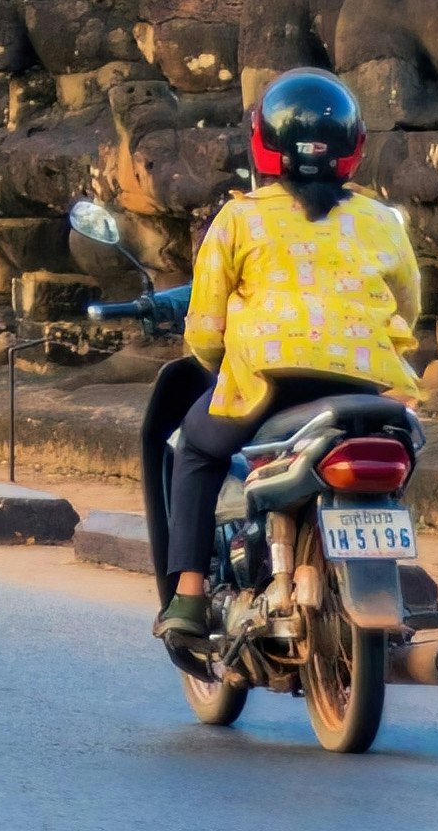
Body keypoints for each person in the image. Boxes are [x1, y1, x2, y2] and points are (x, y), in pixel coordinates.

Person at [158, 67, 420, 649]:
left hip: (266, 384)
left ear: (263, 142)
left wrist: (213, 363)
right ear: (354, 149)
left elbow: (205, 325)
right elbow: (408, 307)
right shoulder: (382, 219)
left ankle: (190, 595)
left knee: (196, 448)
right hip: (364, 386)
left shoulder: (239, 217)